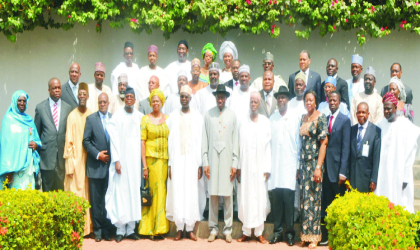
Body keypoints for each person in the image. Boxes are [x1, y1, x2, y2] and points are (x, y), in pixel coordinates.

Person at [166, 85, 205, 241]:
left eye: (186, 97)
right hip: (177, 161)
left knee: (190, 193)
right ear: (179, 98)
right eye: (181, 96)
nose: (184, 99)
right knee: (178, 192)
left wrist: (200, 164)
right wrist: (170, 163)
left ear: (190, 99)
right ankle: (179, 228)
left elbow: (200, 141)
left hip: (192, 161)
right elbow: (170, 141)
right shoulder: (172, 117)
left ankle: (189, 229)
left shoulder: (197, 117)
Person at [105, 87, 142, 243]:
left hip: (135, 164)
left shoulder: (140, 117)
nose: (128, 99)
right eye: (126, 96)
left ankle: (131, 229)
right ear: (123, 98)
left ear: (134, 100)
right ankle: (120, 229)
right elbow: (113, 141)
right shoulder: (117, 117)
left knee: (133, 192)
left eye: (131, 97)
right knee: (121, 193)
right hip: (121, 163)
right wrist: (117, 160)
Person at [203, 84, 239, 243]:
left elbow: (236, 141)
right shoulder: (208, 115)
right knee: (213, 195)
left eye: (223, 96)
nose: (220, 99)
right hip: (212, 159)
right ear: (215, 97)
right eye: (218, 96)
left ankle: (228, 229)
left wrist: (235, 163)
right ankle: (213, 229)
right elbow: (204, 141)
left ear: (226, 98)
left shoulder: (232, 115)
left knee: (227, 195)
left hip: (227, 160)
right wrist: (205, 162)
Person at [375, 92, 420, 213]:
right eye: (385, 109)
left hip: (399, 173)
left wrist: (405, 176)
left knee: (400, 203)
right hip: (383, 173)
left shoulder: (405, 125)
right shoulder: (380, 125)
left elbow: (411, 152)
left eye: (389, 108)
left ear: (396, 107)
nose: (386, 111)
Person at [237, 91, 271, 244]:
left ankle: (259, 232)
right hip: (245, 166)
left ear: (259, 104)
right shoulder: (243, 121)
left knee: (259, 198)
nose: (253, 105)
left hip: (259, 166)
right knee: (245, 196)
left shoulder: (264, 121)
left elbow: (268, 147)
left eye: (255, 102)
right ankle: (245, 232)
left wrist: (267, 168)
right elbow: (238, 145)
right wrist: (237, 166)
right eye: (251, 102)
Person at [268, 86, 300, 246]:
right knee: (277, 202)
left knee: (289, 202)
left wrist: (298, 166)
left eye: (283, 97)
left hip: (289, 166)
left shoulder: (294, 117)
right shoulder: (272, 118)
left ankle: (289, 234)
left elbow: (298, 143)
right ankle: (277, 232)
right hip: (275, 166)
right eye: (278, 97)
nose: (281, 100)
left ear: (288, 99)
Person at [298, 90, 328, 249]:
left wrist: (318, 167)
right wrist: (298, 167)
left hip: (314, 165)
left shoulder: (321, 117)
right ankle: (305, 235)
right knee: (304, 201)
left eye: (311, 100)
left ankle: (315, 236)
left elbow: (324, 143)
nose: (308, 102)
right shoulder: (303, 118)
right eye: (306, 100)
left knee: (314, 200)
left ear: (316, 102)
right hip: (303, 166)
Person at [320, 90, 351, 246]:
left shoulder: (345, 120)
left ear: (339, 102)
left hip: (338, 172)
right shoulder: (325, 119)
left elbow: (346, 148)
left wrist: (343, 172)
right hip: (325, 171)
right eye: (330, 100)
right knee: (326, 205)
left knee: (337, 205)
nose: (332, 103)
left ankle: (337, 237)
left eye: (335, 101)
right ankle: (325, 237)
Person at [139, 89, 170, 239]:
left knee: (162, 193)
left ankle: (160, 227)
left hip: (164, 161)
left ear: (162, 102)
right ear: (150, 103)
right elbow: (142, 143)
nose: (155, 103)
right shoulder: (145, 119)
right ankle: (149, 228)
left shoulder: (168, 119)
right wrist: (144, 166)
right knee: (150, 193)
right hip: (151, 161)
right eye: (153, 101)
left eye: (158, 101)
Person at [83, 93, 113, 242]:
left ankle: (107, 229)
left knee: (108, 200)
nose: (102, 104)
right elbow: (86, 141)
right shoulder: (91, 119)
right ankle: (98, 230)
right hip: (95, 167)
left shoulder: (114, 119)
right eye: (100, 102)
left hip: (111, 169)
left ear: (108, 103)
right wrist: (97, 155)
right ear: (97, 103)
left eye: (104, 102)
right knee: (96, 201)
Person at [63, 82, 92, 236]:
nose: (82, 96)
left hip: (88, 162)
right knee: (75, 194)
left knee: (87, 194)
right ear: (77, 96)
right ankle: (76, 229)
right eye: (79, 94)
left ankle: (88, 228)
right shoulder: (72, 116)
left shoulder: (91, 114)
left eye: (84, 94)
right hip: (75, 161)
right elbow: (69, 142)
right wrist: (69, 166)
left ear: (87, 96)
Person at [35, 78, 72, 191]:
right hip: (47, 160)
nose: (57, 90)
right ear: (49, 90)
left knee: (61, 194)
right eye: (54, 88)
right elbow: (37, 134)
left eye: (59, 88)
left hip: (62, 160)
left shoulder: (68, 108)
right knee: (47, 195)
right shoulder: (41, 108)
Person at [0, 91, 42, 190]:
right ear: (14, 101)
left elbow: (37, 139)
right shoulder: (8, 120)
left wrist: (36, 144)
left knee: (28, 193)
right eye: (19, 101)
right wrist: (8, 170)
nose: (22, 103)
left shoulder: (29, 120)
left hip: (28, 166)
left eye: (24, 101)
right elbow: (6, 147)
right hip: (14, 168)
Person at [349, 102, 381, 193]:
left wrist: (373, 180)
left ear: (368, 114)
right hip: (353, 179)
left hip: (367, 179)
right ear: (355, 114)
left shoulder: (376, 131)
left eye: (363, 112)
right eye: (359, 112)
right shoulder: (352, 130)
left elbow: (376, 158)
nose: (361, 115)